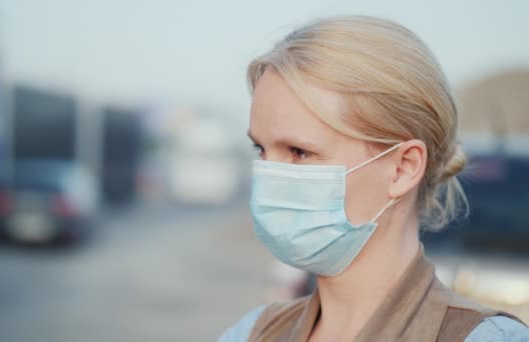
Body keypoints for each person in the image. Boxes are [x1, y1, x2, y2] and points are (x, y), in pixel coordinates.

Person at [220, 16, 528, 341]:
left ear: (403, 168)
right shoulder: (253, 333)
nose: (271, 176)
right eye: (261, 150)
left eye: (299, 152)